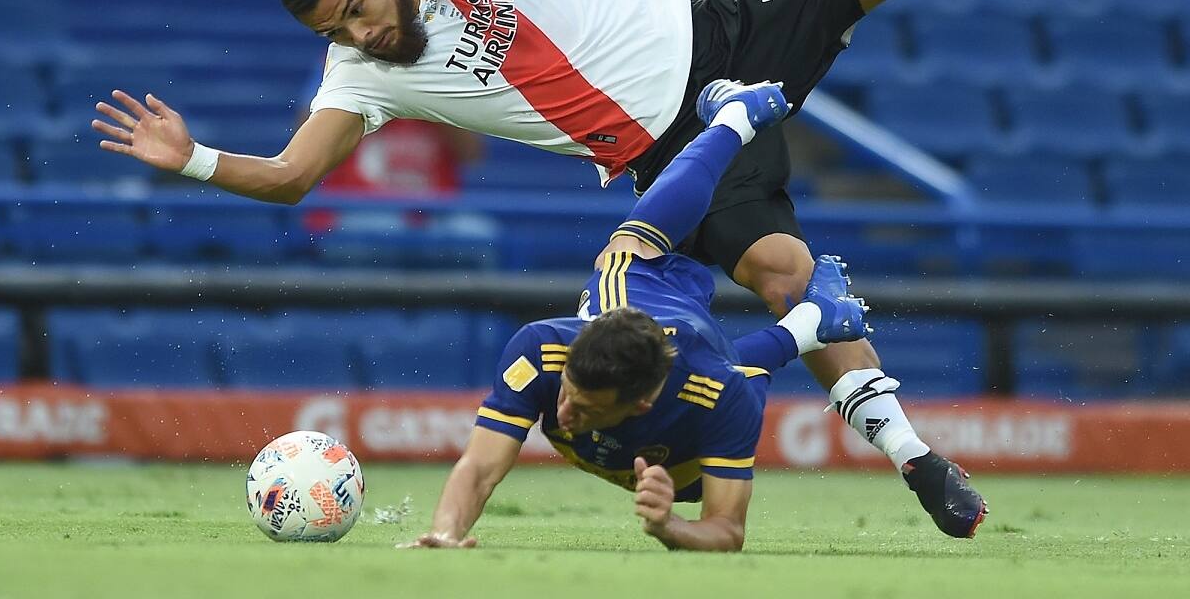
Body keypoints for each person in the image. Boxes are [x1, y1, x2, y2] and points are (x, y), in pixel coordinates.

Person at [95, 0, 998, 535]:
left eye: (357, 9)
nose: (360, 34)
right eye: (337, 30)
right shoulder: (361, 80)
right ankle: (915, 457)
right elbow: (292, 177)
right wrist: (193, 159)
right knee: (787, 277)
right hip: (674, 150)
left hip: (708, 28)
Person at [402, 79, 983, 551]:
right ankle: (734, 125)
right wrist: (446, 533)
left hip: (690, 447)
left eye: (585, 405)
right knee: (626, 253)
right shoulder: (545, 351)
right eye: (570, 391)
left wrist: (669, 527)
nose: (561, 410)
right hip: (647, 297)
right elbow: (479, 469)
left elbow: (726, 531)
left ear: (642, 404)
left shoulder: (717, 394)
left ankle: (810, 322)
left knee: (733, 372)